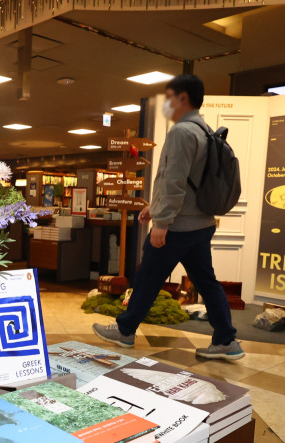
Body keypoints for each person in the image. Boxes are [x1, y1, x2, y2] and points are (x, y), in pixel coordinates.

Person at [93, 74, 244, 361]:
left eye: (171, 98)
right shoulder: (205, 131)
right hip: (201, 224)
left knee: (147, 277)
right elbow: (185, 183)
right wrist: (155, 207)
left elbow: (173, 181)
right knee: (207, 283)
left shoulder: (181, 133)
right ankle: (227, 340)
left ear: (183, 99)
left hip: (177, 228)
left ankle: (125, 331)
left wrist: (161, 223)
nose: (168, 104)